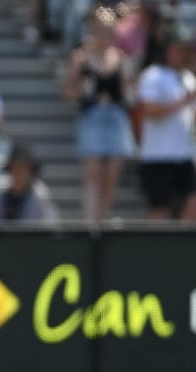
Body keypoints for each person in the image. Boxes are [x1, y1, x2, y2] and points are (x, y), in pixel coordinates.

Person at [62, 8, 135, 223]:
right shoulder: (81, 58)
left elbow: (126, 93)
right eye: (99, 30)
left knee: (111, 173)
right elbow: (68, 91)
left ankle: (102, 219)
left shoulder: (120, 60)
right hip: (92, 117)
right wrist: (79, 84)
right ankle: (90, 223)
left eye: (107, 31)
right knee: (92, 171)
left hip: (114, 117)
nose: (103, 35)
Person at [136, 27, 196, 221]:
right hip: (157, 155)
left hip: (183, 154)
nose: (180, 55)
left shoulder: (189, 78)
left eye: (184, 50)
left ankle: (179, 244)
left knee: (195, 200)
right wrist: (182, 102)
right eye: (176, 49)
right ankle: (157, 250)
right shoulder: (152, 75)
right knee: (158, 210)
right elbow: (150, 111)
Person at [0, 141, 58, 222]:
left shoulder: (41, 195)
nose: (19, 173)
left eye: (23, 168)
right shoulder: (0, 193)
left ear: (31, 171)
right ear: (10, 169)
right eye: (16, 168)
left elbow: (49, 226)